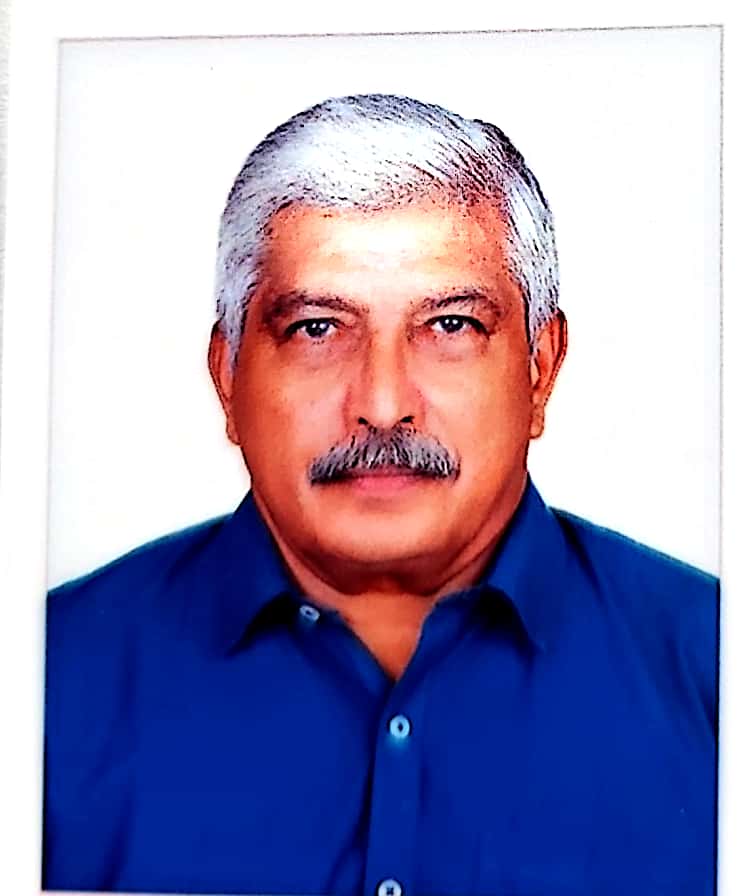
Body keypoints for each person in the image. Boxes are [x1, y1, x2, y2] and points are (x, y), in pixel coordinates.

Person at [43, 94, 717, 896]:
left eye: (451, 325)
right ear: (228, 377)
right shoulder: (43, 681)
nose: (384, 403)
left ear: (541, 369)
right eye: (318, 328)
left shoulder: (715, 667)